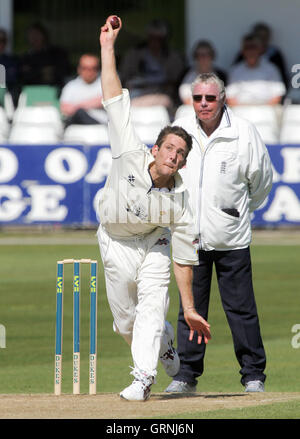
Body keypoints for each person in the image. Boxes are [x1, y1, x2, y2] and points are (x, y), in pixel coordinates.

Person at [98, 16, 211, 401]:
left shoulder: (180, 202)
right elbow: (114, 97)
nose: (174, 157)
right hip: (114, 241)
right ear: (155, 149)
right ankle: (162, 340)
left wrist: (191, 308)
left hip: (154, 243)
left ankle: (143, 379)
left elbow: (183, 258)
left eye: (180, 153)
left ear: (183, 162)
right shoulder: (129, 150)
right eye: (169, 149)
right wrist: (108, 46)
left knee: (151, 302)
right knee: (125, 323)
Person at [165, 72, 273, 394]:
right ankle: (185, 375)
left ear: (222, 98)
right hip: (189, 237)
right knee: (190, 311)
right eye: (198, 98)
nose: (203, 104)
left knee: (241, 310)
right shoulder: (181, 128)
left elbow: (262, 181)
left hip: (231, 238)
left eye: (210, 98)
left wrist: (236, 213)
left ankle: (253, 375)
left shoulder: (243, 132)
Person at [119, 19, 185, 113]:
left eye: (159, 38)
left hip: (161, 96)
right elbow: (125, 79)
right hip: (136, 94)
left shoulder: (173, 57)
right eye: (152, 37)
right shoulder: (134, 54)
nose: (155, 42)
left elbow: (175, 83)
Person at [226, 33, 286, 106]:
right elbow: (230, 97)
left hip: (267, 111)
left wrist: (263, 111)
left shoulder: (271, 69)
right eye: (247, 48)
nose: (251, 51)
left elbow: (278, 95)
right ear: (242, 50)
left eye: (254, 47)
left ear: (261, 49)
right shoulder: (235, 70)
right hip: (241, 110)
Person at [59, 53, 107, 127]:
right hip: (75, 125)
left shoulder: (105, 84)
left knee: (80, 112)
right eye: (85, 68)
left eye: (93, 68)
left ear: (98, 69)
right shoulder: (71, 86)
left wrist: (78, 106)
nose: (89, 72)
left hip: (100, 125)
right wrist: (89, 104)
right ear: (79, 69)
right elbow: (64, 108)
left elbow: (104, 100)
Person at [20, 22, 71, 90]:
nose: (34, 37)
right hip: (31, 91)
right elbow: (24, 76)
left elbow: (62, 72)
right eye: (31, 34)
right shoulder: (25, 57)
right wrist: (42, 71)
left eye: (37, 34)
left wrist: (34, 71)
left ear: (44, 35)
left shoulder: (56, 53)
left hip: (54, 91)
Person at [179, 40, 227, 106]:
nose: (204, 58)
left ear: (212, 56)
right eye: (200, 55)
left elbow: (224, 98)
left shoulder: (221, 75)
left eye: (207, 54)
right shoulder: (186, 74)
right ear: (195, 57)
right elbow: (185, 98)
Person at [0, 28, 20, 107]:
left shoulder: (12, 61)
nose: (0, 43)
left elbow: (11, 80)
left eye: (3, 40)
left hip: (6, 103)